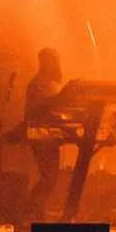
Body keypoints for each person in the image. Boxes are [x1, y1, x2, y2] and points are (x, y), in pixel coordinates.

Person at [21, 47, 71, 217]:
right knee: (49, 176)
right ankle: (31, 210)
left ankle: (35, 210)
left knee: (51, 177)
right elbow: (38, 110)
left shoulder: (51, 83)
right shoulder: (37, 84)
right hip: (41, 134)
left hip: (50, 134)